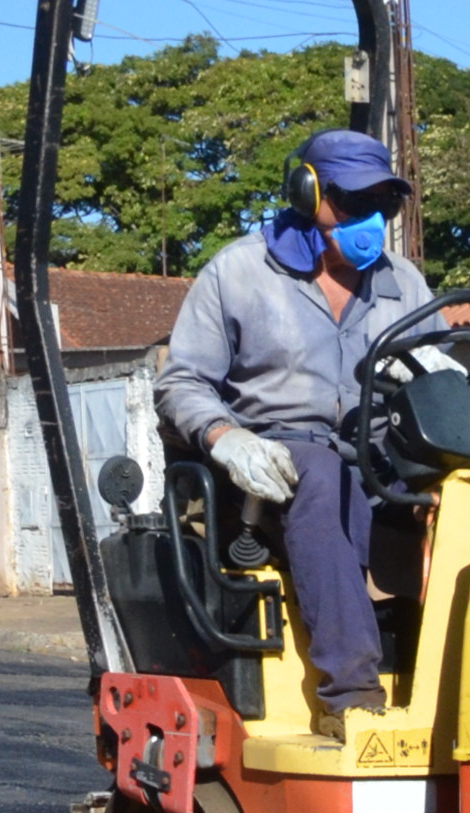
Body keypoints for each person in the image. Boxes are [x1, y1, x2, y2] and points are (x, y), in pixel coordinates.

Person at [153, 129, 433, 723]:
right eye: (354, 203)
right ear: (307, 194)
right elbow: (181, 384)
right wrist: (227, 439)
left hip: (375, 463)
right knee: (320, 468)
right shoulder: (238, 273)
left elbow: (437, 372)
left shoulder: (403, 283)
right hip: (266, 472)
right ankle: (351, 694)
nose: (371, 220)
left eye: (381, 206)